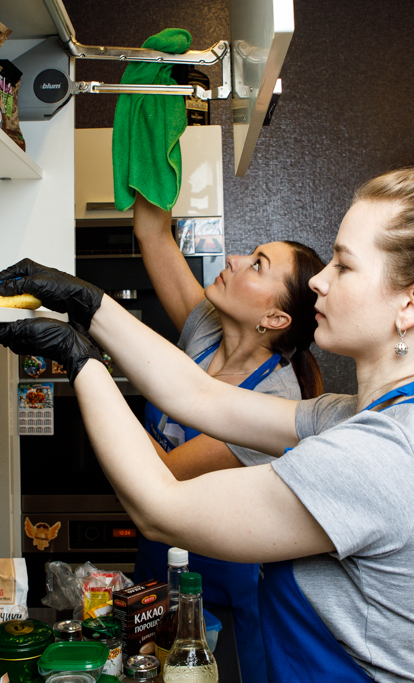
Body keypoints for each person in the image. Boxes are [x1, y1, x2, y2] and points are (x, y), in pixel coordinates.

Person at [0, 167, 414, 683]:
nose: (320, 282)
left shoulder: (383, 456)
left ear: (412, 304)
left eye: (344, 265)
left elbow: (160, 508)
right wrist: (87, 303)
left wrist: (79, 359)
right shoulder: (370, 418)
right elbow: (199, 394)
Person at [129, 193, 325, 683]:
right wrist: (155, 141)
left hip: (220, 607)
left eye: (257, 265)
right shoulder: (207, 330)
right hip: (155, 575)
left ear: (275, 319)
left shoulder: (274, 405)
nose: (235, 260)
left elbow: (161, 476)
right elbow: (153, 233)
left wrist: (89, 374)